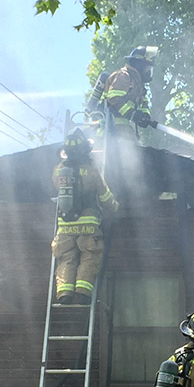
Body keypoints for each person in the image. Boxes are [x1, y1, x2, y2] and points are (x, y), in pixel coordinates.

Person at [51, 128, 119, 305]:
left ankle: (64, 292)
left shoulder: (58, 170)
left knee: (66, 258)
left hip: (65, 224)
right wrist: (115, 206)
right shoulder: (91, 171)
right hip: (88, 225)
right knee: (90, 256)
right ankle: (82, 292)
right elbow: (105, 197)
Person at [98, 45, 158, 143]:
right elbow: (114, 98)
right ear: (140, 65)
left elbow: (143, 104)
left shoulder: (139, 86)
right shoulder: (123, 76)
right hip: (110, 130)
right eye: (148, 67)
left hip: (122, 131)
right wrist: (132, 114)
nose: (148, 71)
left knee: (136, 150)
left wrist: (145, 116)